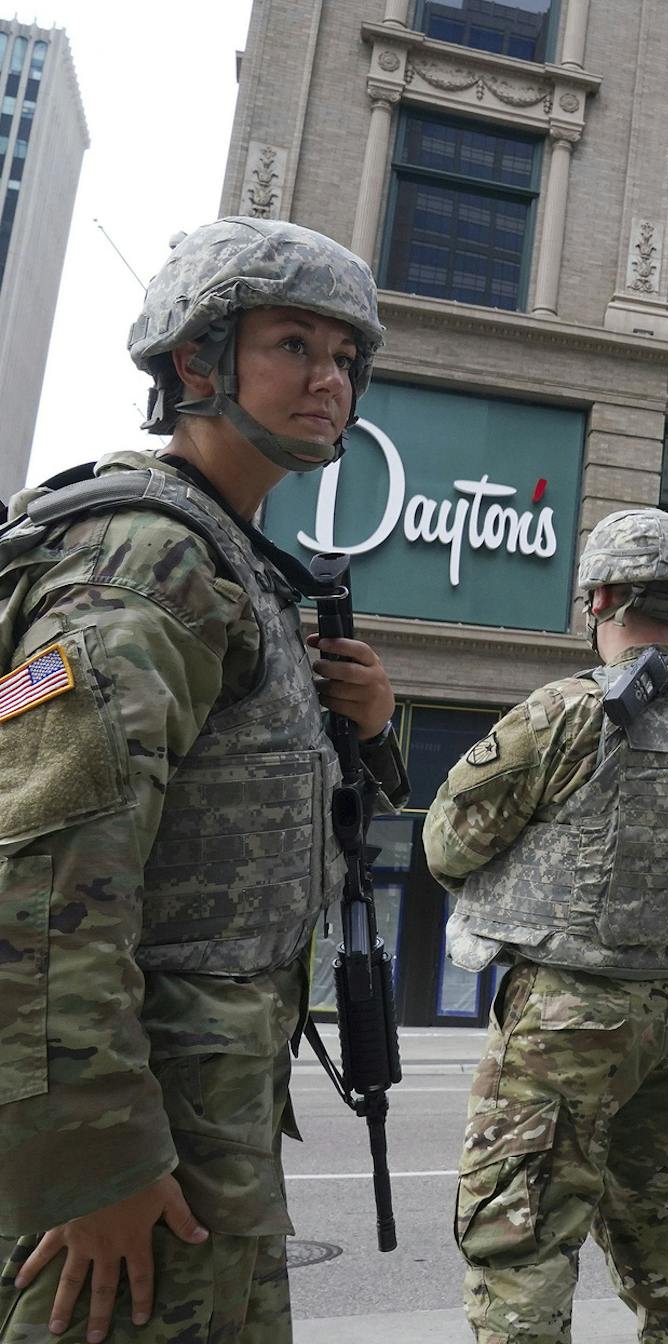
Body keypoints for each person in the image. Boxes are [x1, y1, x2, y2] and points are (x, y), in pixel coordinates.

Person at [0, 217, 409, 1344]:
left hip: (207, 1118)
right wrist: (92, 1162)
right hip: (139, 1143)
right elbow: (42, 878)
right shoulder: (144, 557)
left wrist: (369, 731)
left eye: (346, 358)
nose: (330, 380)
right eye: (293, 344)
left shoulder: (237, 563)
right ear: (197, 362)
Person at [425, 507, 668, 1344]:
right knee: (667, 1233)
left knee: (522, 1237)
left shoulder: (566, 712)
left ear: (597, 597)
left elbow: (446, 843)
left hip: (567, 1011)